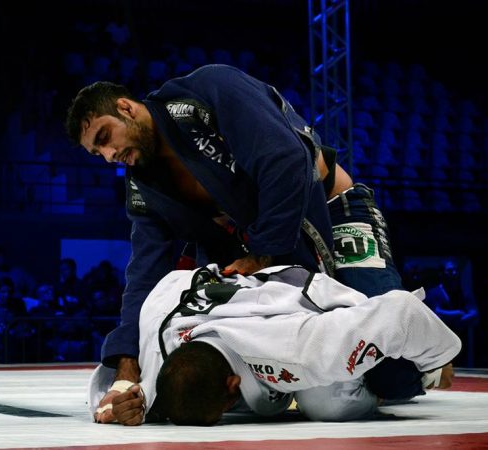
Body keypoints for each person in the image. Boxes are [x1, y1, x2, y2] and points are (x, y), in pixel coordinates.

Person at [66, 64, 420, 421]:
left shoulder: (206, 92)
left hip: (330, 211)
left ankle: (418, 359)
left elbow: (286, 159)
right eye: (98, 153)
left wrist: (263, 253)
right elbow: (144, 273)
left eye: (105, 137)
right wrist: (126, 368)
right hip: (249, 248)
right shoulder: (144, 185)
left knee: (394, 369)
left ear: (126, 108)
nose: (109, 155)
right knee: (191, 370)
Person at [88, 265, 460, 425]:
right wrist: (119, 403)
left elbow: (401, 311)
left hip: (313, 296)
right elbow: (114, 386)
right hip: (219, 285)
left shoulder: (294, 349)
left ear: (233, 385)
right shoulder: (159, 348)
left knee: (328, 404)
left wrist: (436, 360)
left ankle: (392, 388)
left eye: (226, 411)